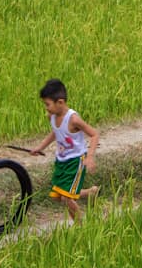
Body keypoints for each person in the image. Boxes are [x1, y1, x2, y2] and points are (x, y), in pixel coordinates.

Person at [29, 78, 100, 222]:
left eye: (47, 104)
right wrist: (40, 147)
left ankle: (81, 226)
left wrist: (90, 157)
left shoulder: (73, 119)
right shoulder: (52, 117)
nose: (46, 108)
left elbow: (94, 134)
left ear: (60, 102)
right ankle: (90, 192)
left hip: (76, 161)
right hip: (61, 161)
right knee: (58, 196)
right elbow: (56, 132)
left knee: (66, 198)